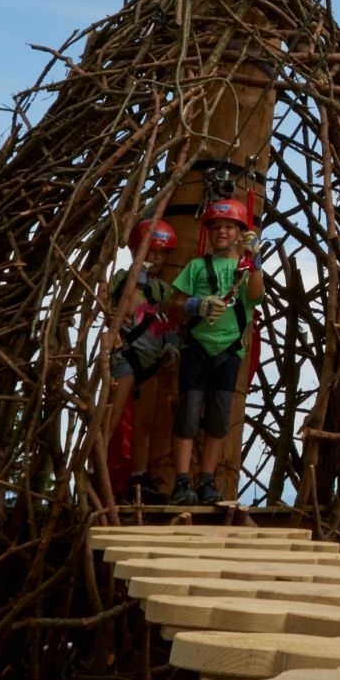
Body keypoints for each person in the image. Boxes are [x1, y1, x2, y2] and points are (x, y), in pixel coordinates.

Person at [166, 197, 261, 507]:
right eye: (217, 227)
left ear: (240, 234)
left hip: (228, 351)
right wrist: (196, 305)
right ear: (208, 232)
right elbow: (174, 303)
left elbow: (255, 296)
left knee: (218, 419)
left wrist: (255, 262)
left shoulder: (244, 268)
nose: (222, 232)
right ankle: (182, 481)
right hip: (196, 347)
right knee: (188, 413)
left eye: (229, 227)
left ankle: (207, 480)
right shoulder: (196, 266)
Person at [99, 218, 179, 504]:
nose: (155, 258)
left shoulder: (163, 289)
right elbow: (125, 301)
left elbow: (167, 319)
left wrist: (170, 344)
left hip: (151, 360)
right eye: (150, 251)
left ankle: (138, 478)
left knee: (144, 424)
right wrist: (139, 273)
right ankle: (97, 474)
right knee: (111, 418)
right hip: (127, 354)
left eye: (161, 253)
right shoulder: (124, 278)